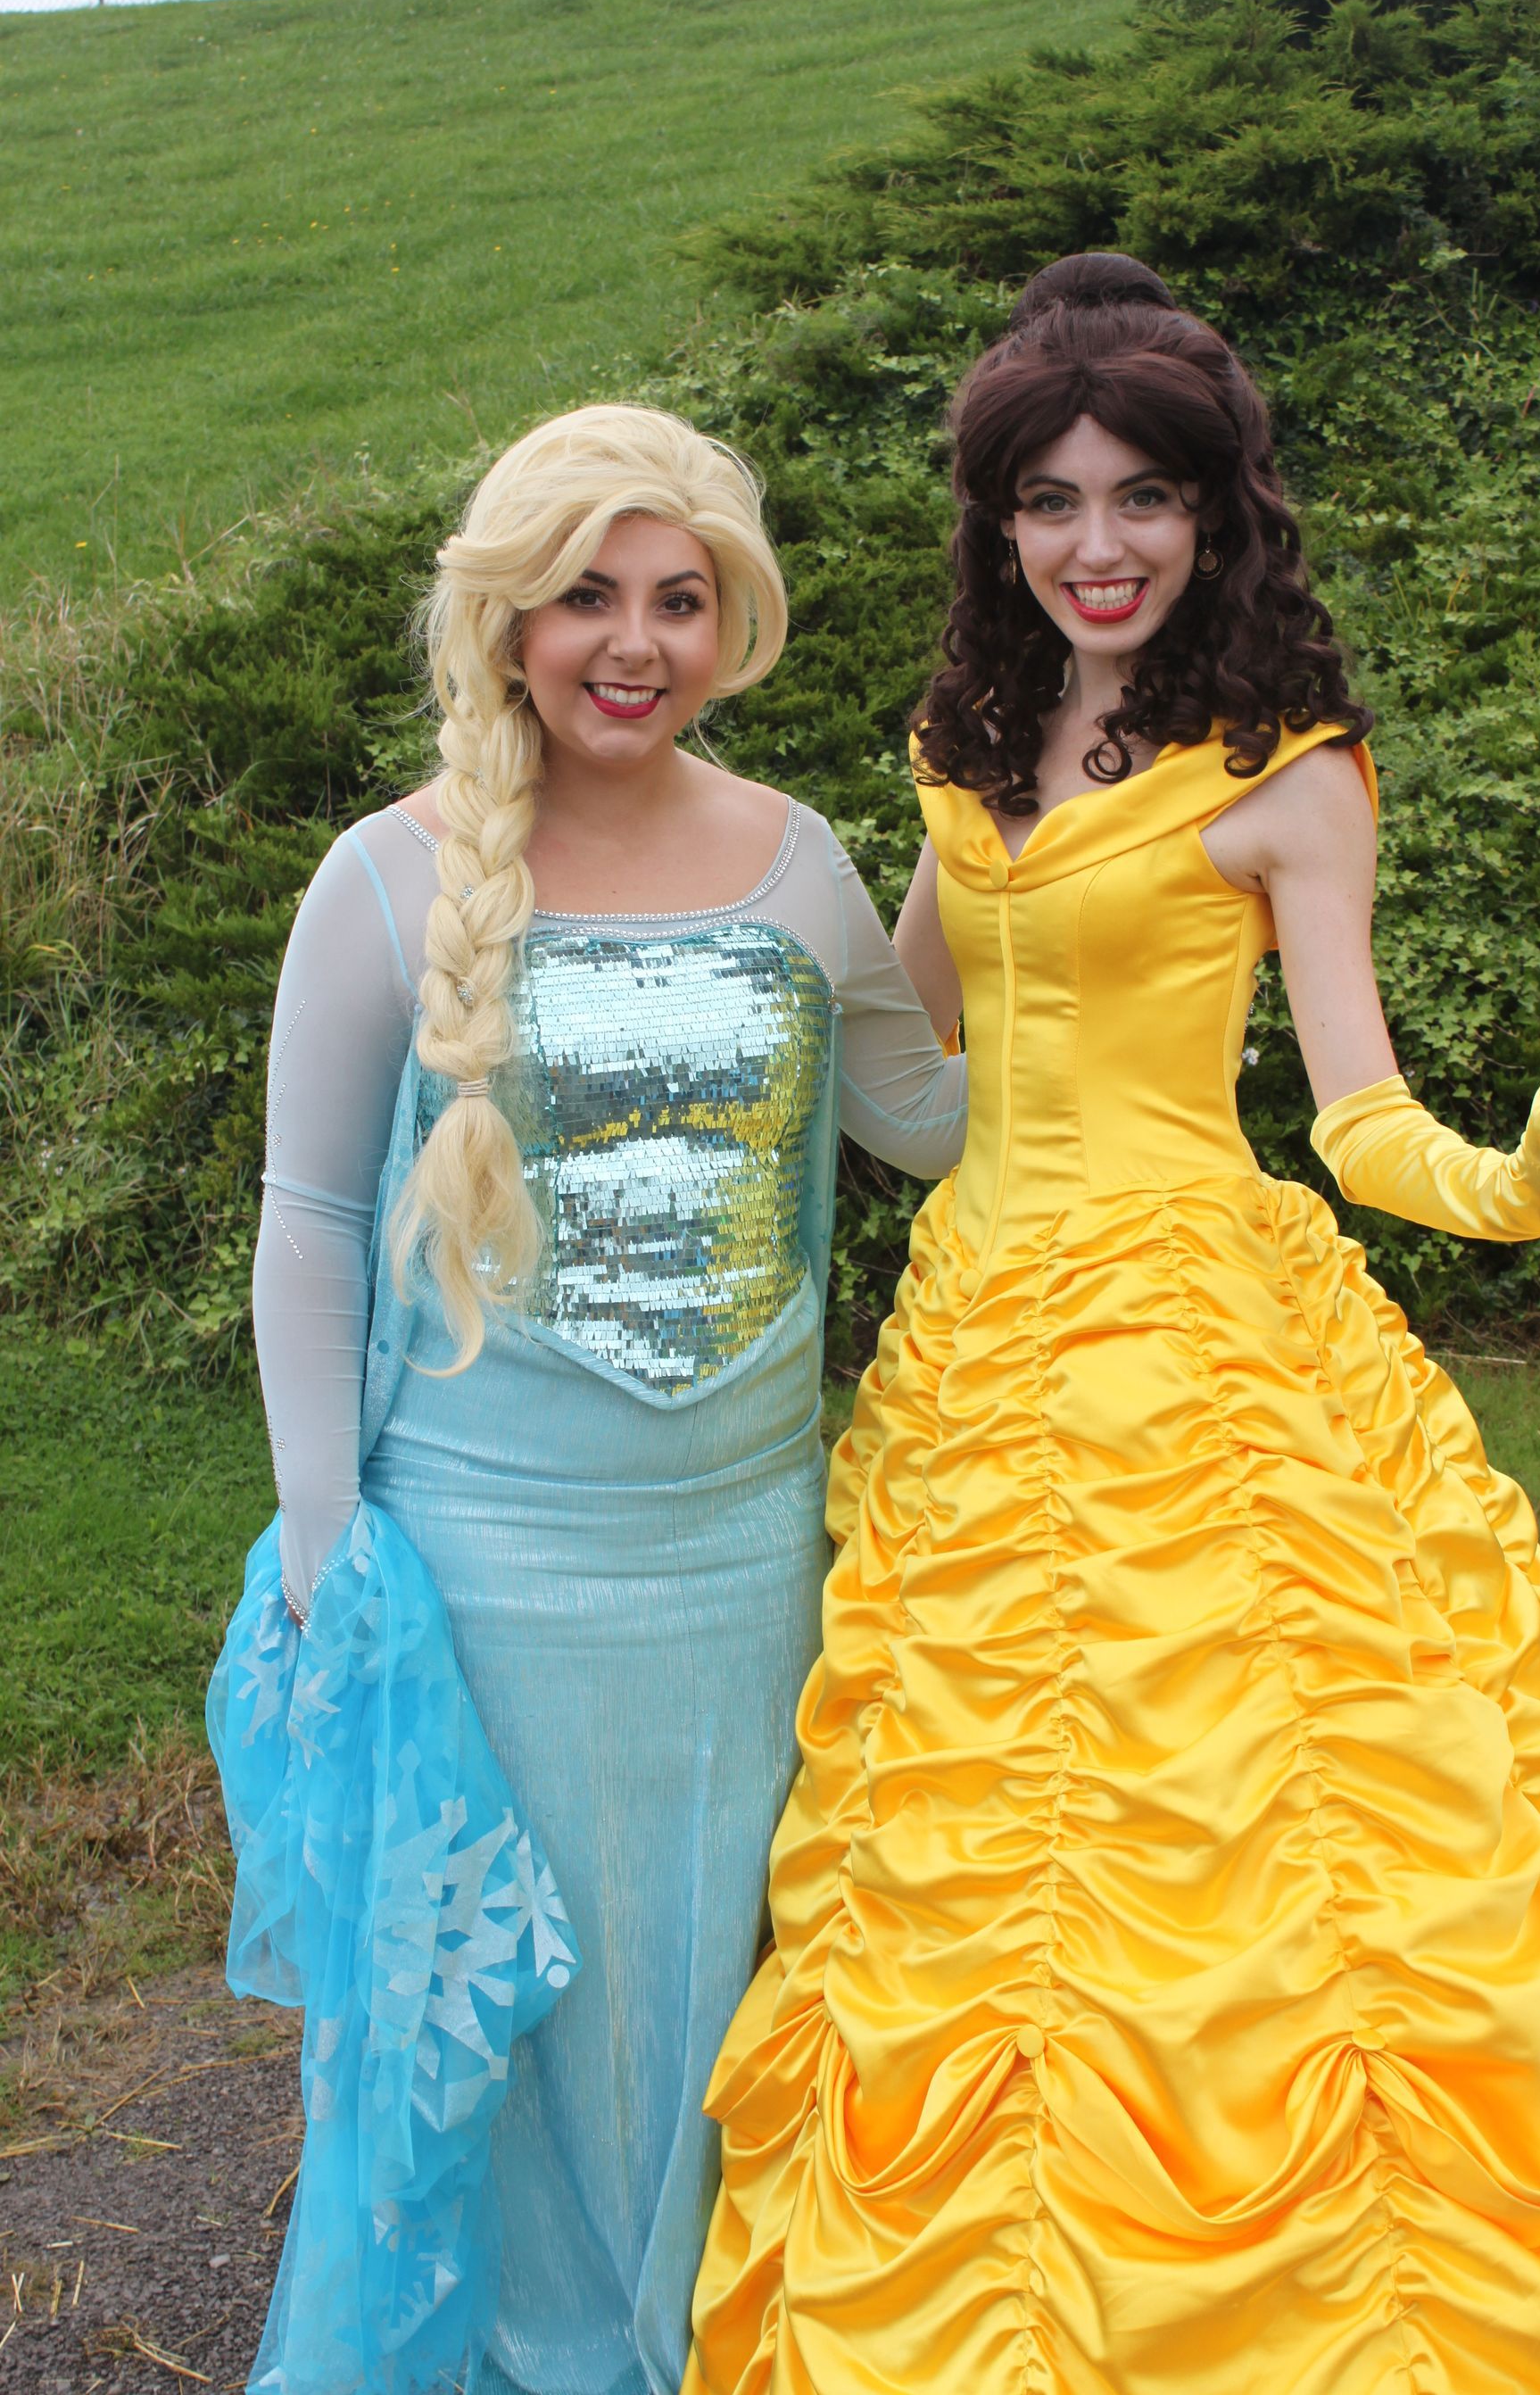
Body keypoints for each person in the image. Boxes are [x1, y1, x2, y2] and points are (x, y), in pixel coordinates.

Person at [683, 258, 1540, 2395]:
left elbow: (1355, 1123)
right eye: (1050, 503)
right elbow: (902, 1059)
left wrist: (1522, 1188)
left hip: (1200, 1349)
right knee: (982, 1832)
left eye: (1142, 497)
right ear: (999, 530)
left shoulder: (1286, 772)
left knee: (1281, 1816)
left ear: (1217, 512)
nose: (1096, 545)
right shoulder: (972, 743)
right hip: (980, 1341)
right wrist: (669, 1005)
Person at [205, 403, 967, 2395]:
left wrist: (995, 873)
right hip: (484, 1571)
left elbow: (934, 1124)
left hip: (741, 1576)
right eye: (586, 599)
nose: (632, 644)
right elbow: (298, 1228)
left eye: (679, 600)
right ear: (508, 620)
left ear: (733, 626)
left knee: (718, 2012)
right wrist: (317, 1537)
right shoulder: (385, 880)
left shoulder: (797, 862)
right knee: (502, 2028)